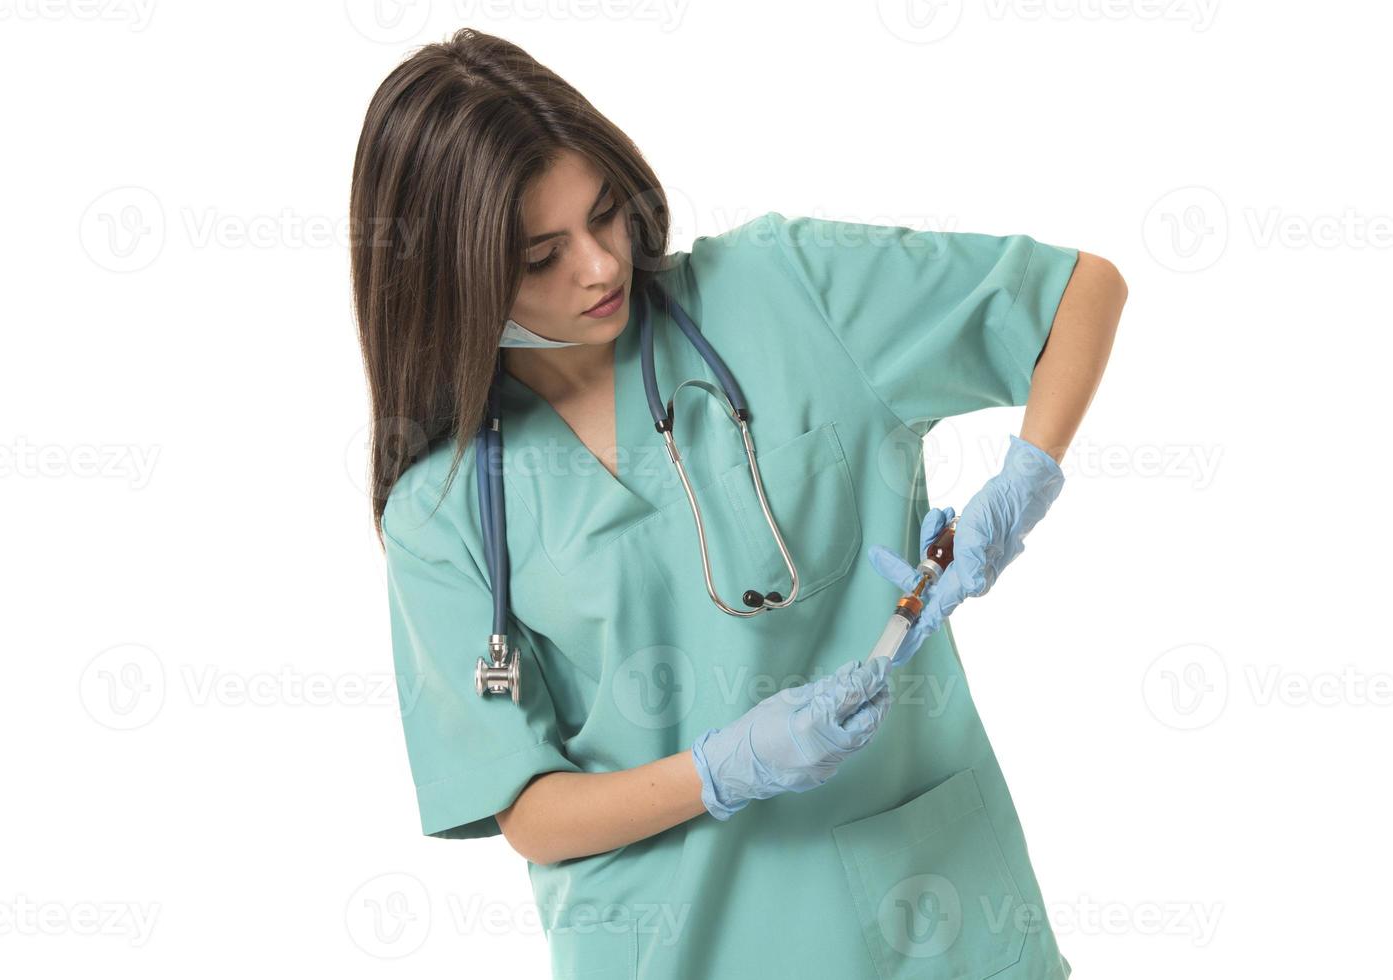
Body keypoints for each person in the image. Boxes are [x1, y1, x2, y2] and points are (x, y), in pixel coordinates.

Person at [349, 28, 1126, 980]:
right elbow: (528, 811)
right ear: (455, 280)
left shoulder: (784, 287)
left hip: (927, 924)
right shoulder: (444, 513)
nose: (600, 267)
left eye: (605, 215)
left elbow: (1076, 293)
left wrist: (1026, 479)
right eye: (541, 255)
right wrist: (723, 770)